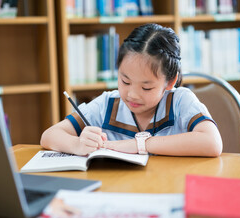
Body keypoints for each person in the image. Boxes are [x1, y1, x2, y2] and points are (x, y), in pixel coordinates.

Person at [41, 23, 222, 157]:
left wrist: (140, 144)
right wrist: (77, 144)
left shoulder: (180, 101)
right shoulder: (107, 104)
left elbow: (212, 143)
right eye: (125, 81)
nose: (132, 94)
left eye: (146, 87)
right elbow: (49, 136)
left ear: (170, 81)